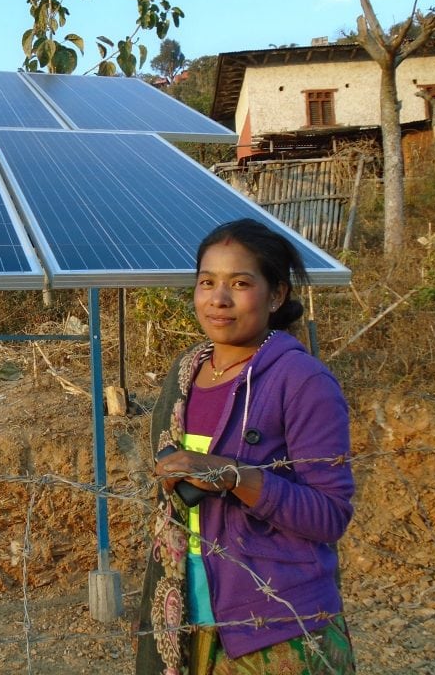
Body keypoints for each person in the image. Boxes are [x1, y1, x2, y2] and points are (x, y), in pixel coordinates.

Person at [135, 218, 356, 675]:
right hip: (187, 621)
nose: (218, 299)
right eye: (207, 282)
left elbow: (331, 514)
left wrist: (237, 477)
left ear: (276, 294)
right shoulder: (185, 374)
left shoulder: (301, 381)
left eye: (239, 283)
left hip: (275, 626)